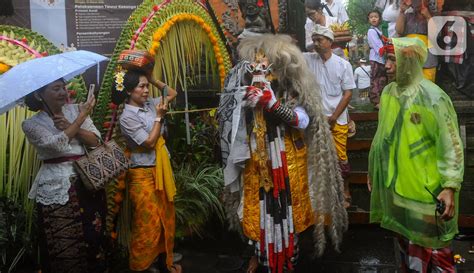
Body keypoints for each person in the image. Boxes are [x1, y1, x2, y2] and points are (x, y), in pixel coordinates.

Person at [218, 34, 348, 273]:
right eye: (256, 66)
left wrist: (273, 104)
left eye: (265, 66)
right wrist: (242, 104)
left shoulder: (291, 89)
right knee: (257, 213)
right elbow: (232, 125)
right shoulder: (245, 88)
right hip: (256, 161)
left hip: (287, 162)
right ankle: (258, 255)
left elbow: (303, 120)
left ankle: (287, 258)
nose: (261, 70)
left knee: (286, 214)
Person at [368, 37, 464, 272]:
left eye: (393, 60)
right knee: (406, 253)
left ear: (409, 61)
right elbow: (383, 138)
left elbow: (451, 144)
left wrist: (450, 186)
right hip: (398, 191)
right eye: (386, 59)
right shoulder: (389, 92)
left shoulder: (433, 97)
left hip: (427, 195)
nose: (387, 66)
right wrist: (374, 171)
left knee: (436, 254)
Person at [22, 79, 107, 273]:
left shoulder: (76, 109)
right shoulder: (30, 124)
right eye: (56, 88)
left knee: (93, 238)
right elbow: (55, 146)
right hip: (56, 188)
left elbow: (96, 140)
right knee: (61, 243)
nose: (63, 92)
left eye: (63, 87)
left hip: (88, 182)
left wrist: (72, 124)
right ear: (38, 95)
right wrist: (80, 120)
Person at [112, 69, 181, 273]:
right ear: (129, 91)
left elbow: (172, 93)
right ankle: (142, 266)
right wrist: (159, 118)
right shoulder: (127, 117)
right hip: (142, 174)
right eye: (141, 86)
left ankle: (162, 263)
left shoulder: (150, 102)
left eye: (146, 86)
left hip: (159, 170)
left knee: (165, 219)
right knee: (147, 223)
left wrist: (152, 79)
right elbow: (150, 142)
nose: (146, 90)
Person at [304, 26, 356, 208]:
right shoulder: (309, 60)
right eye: (314, 40)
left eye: (320, 40)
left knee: (341, 159)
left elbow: (348, 93)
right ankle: (324, 194)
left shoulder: (343, 65)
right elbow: (292, 56)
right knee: (318, 158)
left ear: (330, 42)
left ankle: (345, 190)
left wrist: (333, 117)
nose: (316, 43)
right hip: (316, 120)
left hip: (337, 120)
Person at [396, 0, 438, 81]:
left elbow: (434, 35)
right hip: (410, 54)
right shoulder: (408, 15)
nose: (416, 3)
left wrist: (428, 17)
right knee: (410, 83)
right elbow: (399, 31)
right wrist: (401, 12)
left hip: (428, 56)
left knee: (427, 83)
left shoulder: (434, 15)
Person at [367, 10, 388, 109]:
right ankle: (375, 101)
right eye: (371, 17)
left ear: (379, 19)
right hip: (376, 58)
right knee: (375, 79)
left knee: (382, 79)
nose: (373, 18)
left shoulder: (378, 30)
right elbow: (377, 45)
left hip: (381, 58)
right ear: (369, 20)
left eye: (376, 16)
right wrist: (383, 50)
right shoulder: (371, 31)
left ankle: (381, 99)